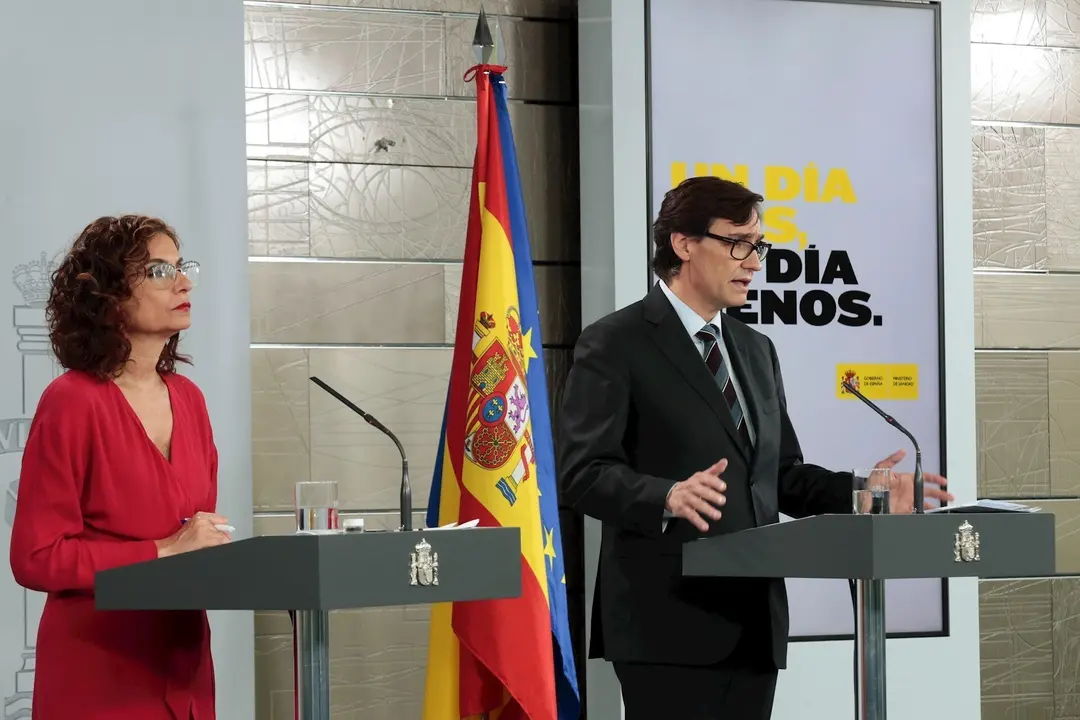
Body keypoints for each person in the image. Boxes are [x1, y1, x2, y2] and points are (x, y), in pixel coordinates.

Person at [557, 176, 953, 720]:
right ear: (684, 243)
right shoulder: (615, 342)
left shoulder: (755, 348)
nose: (753, 261)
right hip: (666, 625)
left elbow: (781, 475)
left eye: (759, 246)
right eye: (738, 244)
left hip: (752, 624)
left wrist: (863, 490)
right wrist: (667, 496)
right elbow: (582, 472)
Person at [8, 215, 231, 719]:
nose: (183, 282)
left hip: (184, 669)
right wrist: (162, 550)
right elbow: (36, 556)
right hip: (100, 675)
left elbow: (196, 537)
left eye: (182, 266)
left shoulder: (190, 400)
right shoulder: (71, 402)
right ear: (108, 295)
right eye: (157, 271)